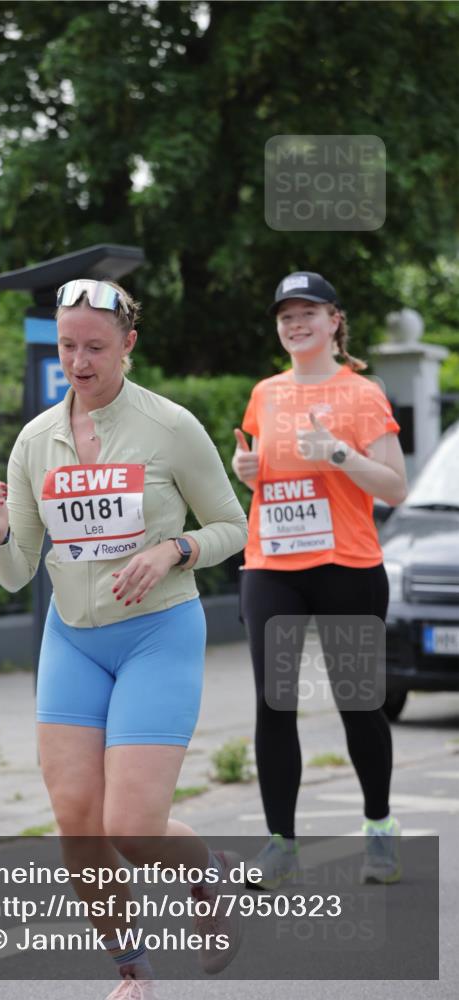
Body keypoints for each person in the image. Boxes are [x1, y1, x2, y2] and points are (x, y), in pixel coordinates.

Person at [0, 278, 249, 997]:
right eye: (68, 346)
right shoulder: (36, 441)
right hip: (73, 641)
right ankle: (131, 967)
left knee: (131, 827)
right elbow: (13, 573)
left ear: (128, 344)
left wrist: (173, 551)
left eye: (95, 346)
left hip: (157, 634)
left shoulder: (169, 426)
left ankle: (207, 872)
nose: (79, 361)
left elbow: (233, 526)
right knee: (76, 820)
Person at [232, 271, 407, 889]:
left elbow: (393, 486)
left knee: (358, 703)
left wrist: (337, 452)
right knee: (273, 703)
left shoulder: (363, 393)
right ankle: (281, 842)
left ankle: (380, 829)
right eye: (286, 315)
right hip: (273, 564)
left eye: (308, 312)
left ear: (335, 320)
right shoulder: (265, 394)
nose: (295, 323)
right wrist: (245, 469)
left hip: (347, 565)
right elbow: (265, 478)